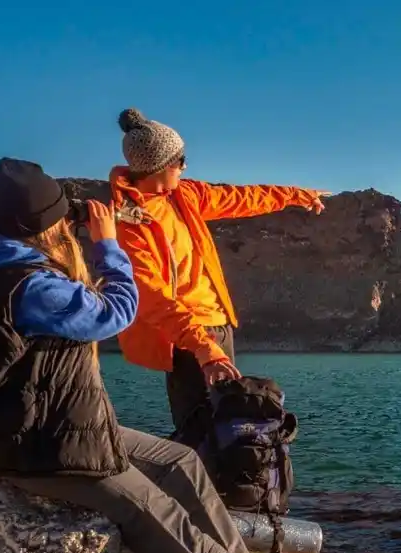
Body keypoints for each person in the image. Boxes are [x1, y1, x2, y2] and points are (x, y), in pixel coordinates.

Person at [0, 157, 345, 553]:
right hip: (34, 445)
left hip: (36, 424)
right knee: (155, 509)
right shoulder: (33, 286)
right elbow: (116, 311)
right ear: (42, 227)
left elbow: (239, 198)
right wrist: (109, 245)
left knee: (182, 462)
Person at [107, 108, 328, 447]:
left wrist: (296, 195)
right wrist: (204, 349)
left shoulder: (184, 195)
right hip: (186, 337)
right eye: (181, 160)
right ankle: (204, 498)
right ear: (161, 166)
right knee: (201, 433)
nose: (185, 166)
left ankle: (223, 496)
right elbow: (152, 296)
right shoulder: (132, 222)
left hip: (217, 328)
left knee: (226, 428)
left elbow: (242, 198)